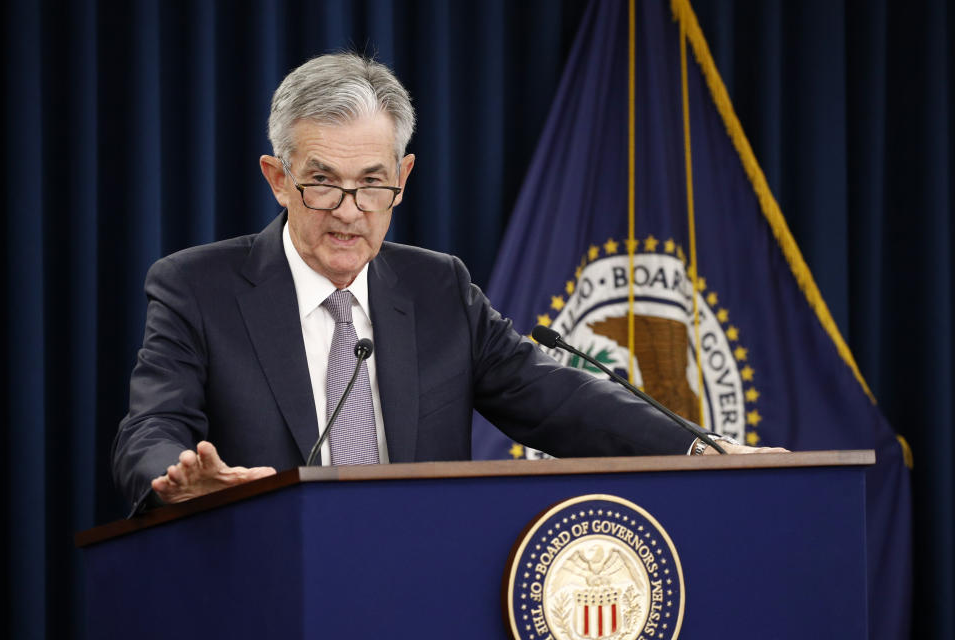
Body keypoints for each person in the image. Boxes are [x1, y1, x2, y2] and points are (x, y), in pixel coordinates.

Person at [112, 53, 781, 515]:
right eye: (322, 182)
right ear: (278, 178)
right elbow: (150, 431)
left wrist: (698, 446)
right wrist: (178, 481)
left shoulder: (438, 290)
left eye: (372, 182)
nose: (349, 209)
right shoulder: (196, 288)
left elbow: (555, 397)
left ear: (402, 178)